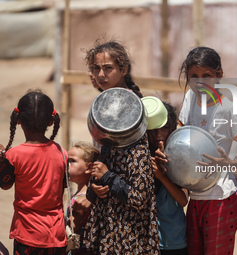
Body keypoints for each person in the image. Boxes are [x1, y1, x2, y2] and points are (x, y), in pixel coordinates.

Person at [82, 39, 159, 254]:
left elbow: (139, 193)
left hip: (129, 226)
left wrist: (107, 176)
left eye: (108, 68)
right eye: (96, 69)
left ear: (123, 69)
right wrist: (97, 185)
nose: (101, 75)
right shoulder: (107, 105)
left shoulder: (130, 109)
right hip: (110, 217)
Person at [178, 46, 237, 255]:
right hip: (195, 197)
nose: (199, 81)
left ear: (219, 75)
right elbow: (181, 139)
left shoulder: (229, 108)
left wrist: (230, 163)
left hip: (221, 197)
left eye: (207, 75)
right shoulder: (189, 99)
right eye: (193, 76)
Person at [0, 89, 67, 254]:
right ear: (51, 121)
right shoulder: (61, 152)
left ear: (18, 121)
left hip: (27, 235)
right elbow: (62, 187)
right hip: (56, 235)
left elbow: (5, 185)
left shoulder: (13, 155)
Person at [147, 101, 188, 255]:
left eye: (164, 128)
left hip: (173, 240)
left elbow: (183, 200)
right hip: (147, 240)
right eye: (153, 130)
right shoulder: (141, 158)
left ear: (172, 128)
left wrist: (162, 176)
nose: (159, 135)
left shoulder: (180, 158)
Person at [65, 141, 101, 255]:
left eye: (72, 161)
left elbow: (72, 226)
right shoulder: (85, 194)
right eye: (67, 161)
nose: (67, 166)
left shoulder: (82, 198)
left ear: (89, 167)